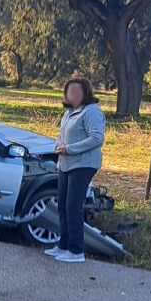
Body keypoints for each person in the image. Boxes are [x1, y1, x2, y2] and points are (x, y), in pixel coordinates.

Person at [44, 77, 106, 263]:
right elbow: (61, 135)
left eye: (76, 91)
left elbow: (97, 138)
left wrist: (70, 149)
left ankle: (76, 251)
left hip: (83, 164)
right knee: (62, 205)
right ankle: (63, 246)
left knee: (73, 207)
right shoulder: (69, 112)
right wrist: (58, 145)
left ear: (85, 92)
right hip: (65, 164)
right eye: (69, 91)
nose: (72, 95)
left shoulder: (92, 112)